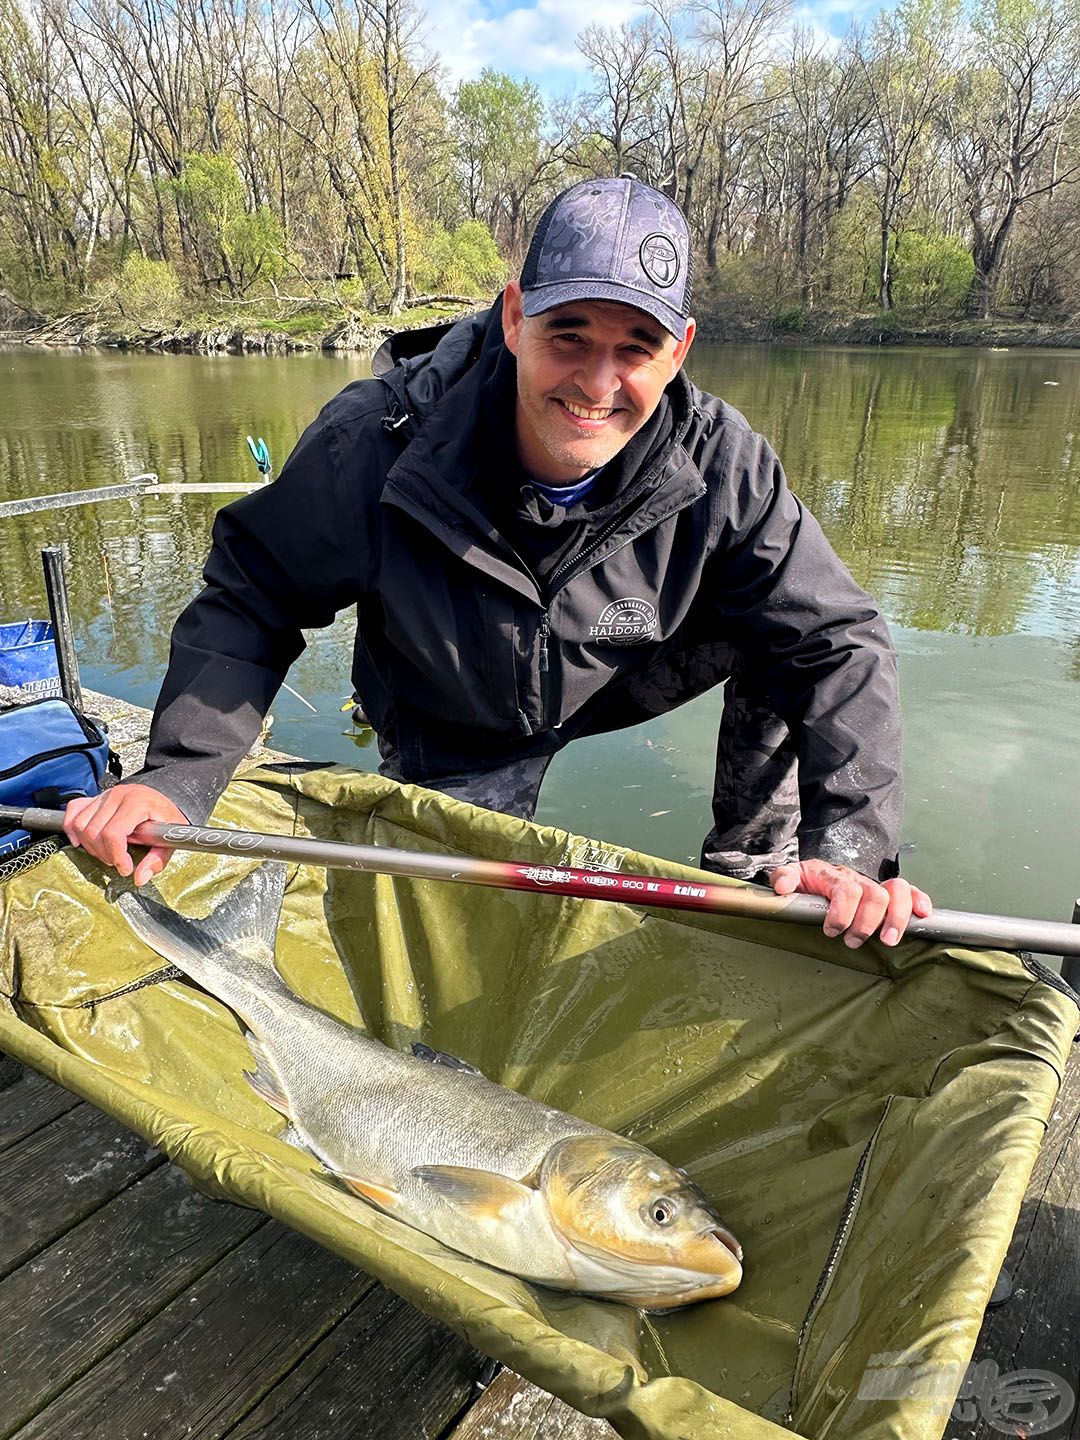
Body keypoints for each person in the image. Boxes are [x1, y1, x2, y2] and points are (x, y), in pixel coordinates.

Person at [65, 176, 931, 947]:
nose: (597, 383)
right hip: (455, 702)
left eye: (636, 347)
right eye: (569, 334)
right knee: (450, 933)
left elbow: (839, 640)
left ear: (681, 350)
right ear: (514, 317)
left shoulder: (724, 461)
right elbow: (251, 597)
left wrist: (851, 844)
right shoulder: (375, 441)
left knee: (785, 638)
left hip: (623, 659)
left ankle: (766, 873)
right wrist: (179, 776)